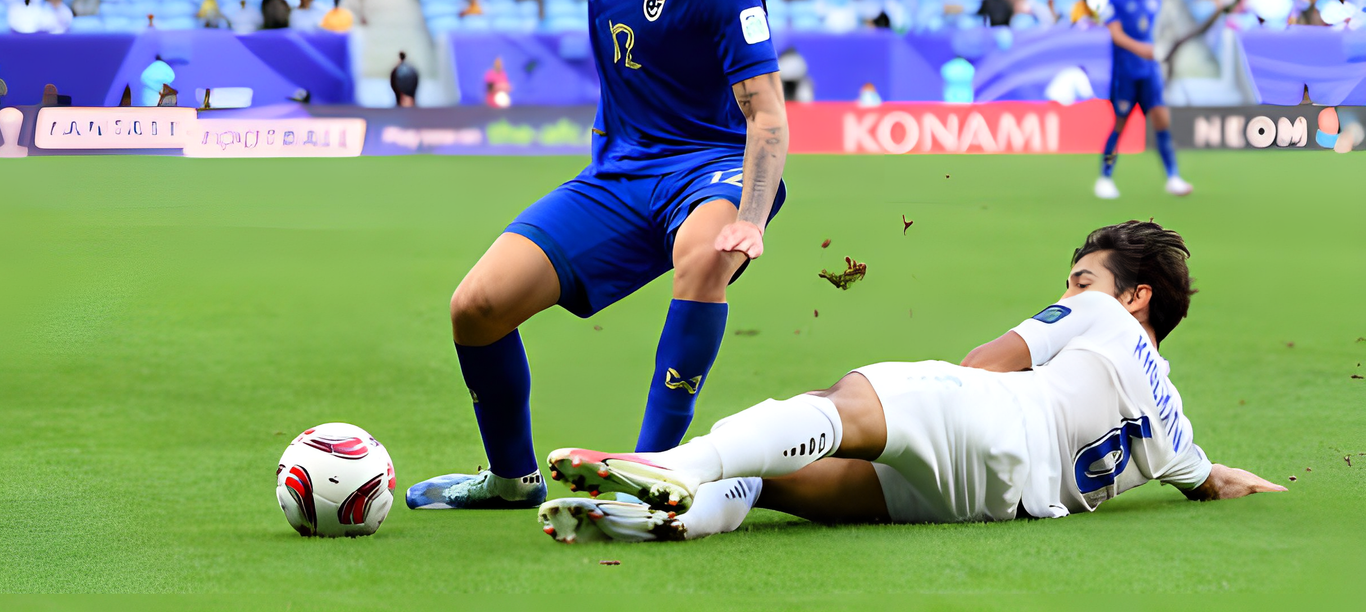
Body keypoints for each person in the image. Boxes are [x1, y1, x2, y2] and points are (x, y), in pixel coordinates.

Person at [406, 0, 789, 511]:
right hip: (618, 170)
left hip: (710, 165)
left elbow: (767, 114)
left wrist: (753, 217)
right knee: (475, 307)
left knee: (704, 257)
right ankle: (512, 479)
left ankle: (652, 476)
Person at [538, 220, 1286, 543]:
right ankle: (647, 518)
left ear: (1136, 295)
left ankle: (672, 466)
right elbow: (1214, 480)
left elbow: (983, 364)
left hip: (991, 419)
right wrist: (1266, 487)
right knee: (773, 476)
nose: (1072, 285)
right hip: (995, 505)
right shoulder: (1177, 434)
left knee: (826, 406)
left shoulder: (1101, 312)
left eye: (1083, 275)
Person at [1095, 0, 1191, 200]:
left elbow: (1153, 31)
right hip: (1126, 72)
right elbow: (1115, 34)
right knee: (1119, 124)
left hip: (1149, 72)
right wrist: (1144, 50)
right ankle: (1105, 177)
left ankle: (1173, 177)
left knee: (1162, 119)